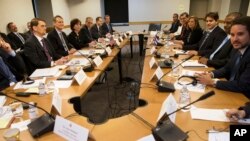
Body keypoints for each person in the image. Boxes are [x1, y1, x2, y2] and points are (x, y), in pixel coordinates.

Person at [196, 16, 250, 98]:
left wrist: (213, 82)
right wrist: (210, 74)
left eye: (240, 34)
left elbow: (243, 85)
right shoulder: (237, 49)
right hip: (232, 92)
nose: (235, 39)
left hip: (244, 99)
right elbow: (227, 68)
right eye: (232, 35)